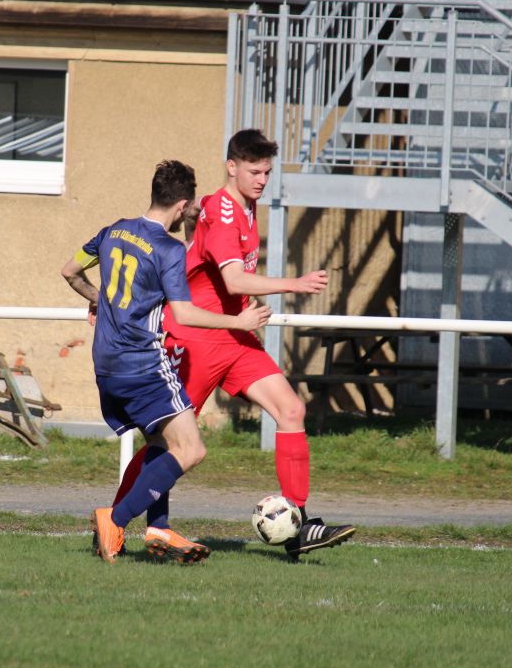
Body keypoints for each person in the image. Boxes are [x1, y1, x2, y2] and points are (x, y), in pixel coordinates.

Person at [108, 129, 355, 559]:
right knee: (167, 444)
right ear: (231, 167)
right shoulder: (223, 214)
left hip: (235, 337)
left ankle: (297, 526)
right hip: (197, 339)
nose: (262, 180)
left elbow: (197, 236)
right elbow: (234, 279)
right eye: (254, 171)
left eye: (267, 172)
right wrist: (295, 283)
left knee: (291, 410)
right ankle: (112, 523)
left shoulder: (238, 205)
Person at [62, 159, 270, 564]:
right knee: (191, 449)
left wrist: (101, 301)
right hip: (142, 364)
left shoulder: (113, 231)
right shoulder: (169, 249)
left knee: (161, 443)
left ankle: (159, 528)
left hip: (106, 364)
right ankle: (114, 519)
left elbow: (69, 271)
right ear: (182, 206)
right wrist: (239, 321)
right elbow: (185, 313)